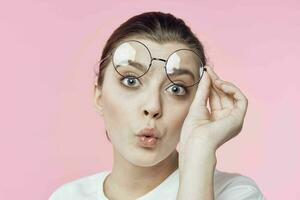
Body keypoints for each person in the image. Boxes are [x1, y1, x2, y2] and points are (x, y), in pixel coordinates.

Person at [49, 11, 265, 200]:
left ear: (198, 102)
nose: (153, 107)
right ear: (99, 96)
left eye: (176, 89)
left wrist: (199, 152)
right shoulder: (66, 196)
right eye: (131, 81)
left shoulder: (235, 193)